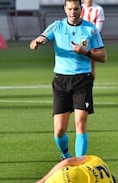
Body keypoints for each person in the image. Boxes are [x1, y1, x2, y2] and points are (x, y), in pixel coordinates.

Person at [29, 0, 107, 159]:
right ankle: (66, 155)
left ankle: (80, 162)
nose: (73, 12)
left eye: (76, 9)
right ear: (65, 9)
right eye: (70, 9)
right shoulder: (57, 26)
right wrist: (37, 43)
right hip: (61, 81)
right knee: (58, 131)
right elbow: (33, 43)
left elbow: (103, 57)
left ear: (81, 9)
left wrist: (85, 52)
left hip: (82, 80)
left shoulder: (90, 29)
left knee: (80, 122)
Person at [81, 0, 105, 78]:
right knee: (80, 61)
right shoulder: (79, 8)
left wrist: (89, 37)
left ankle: (89, 84)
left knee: (91, 63)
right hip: (81, 39)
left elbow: (98, 28)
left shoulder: (98, 9)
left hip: (93, 39)